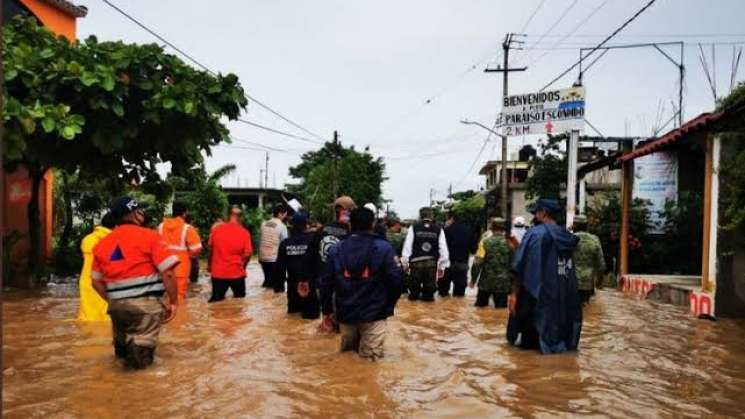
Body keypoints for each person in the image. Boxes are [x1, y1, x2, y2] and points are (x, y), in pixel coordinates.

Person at [90, 197, 179, 369]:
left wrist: (114, 300)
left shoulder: (102, 244)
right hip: (145, 307)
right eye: (141, 210)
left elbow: (95, 282)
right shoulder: (151, 237)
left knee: (121, 359)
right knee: (141, 365)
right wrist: (173, 302)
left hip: (116, 308)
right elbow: (168, 272)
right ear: (137, 214)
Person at [319, 207, 403, 360]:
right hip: (375, 313)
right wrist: (388, 305)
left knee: (347, 359)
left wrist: (327, 311)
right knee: (369, 364)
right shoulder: (384, 248)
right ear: (372, 224)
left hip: (345, 313)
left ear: (350, 225)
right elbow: (397, 280)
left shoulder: (336, 249)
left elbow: (325, 283)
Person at [507, 198, 582, 354]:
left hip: (534, 300)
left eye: (536, 212)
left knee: (527, 354)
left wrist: (514, 295)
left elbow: (520, 265)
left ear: (543, 213)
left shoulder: (534, 234)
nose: (535, 215)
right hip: (561, 301)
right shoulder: (567, 237)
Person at [305, 196, 356, 331]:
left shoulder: (321, 230)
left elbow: (310, 256)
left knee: (327, 324)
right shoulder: (352, 233)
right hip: (343, 284)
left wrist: (306, 279)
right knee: (342, 327)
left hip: (323, 283)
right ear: (346, 211)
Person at [401, 207, 449, 302]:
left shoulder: (413, 227)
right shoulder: (438, 229)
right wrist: (442, 267)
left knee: (413, 295)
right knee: (429, 296)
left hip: (415, 264)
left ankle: (413, 314)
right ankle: (428, 316)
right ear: (431, 216)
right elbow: (443, 250)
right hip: (431, 264)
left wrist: (405, 264)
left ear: (420, 216)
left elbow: (407, 247)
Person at [277, 212, 320, 319]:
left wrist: (279, 287)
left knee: (293, 321)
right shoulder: (313, 240)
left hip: (293, 289)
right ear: (306, 224)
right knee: (310, 322)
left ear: (292, 225)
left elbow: (280, 268)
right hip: (311, 287)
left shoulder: (285, 244)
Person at [158, 202, 202, 303]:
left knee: (164, 298)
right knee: (178, 299)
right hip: (180, 270)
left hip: (162, 268)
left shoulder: (160, 226)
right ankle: (179, 318)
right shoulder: (187, 228)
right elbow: (197, 249)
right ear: (184, 213)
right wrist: (189, 256)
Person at [208, 208, 253, 302]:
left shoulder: (216, 230)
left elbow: (211, 249)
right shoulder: (244, 232)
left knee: (215, 303)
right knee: (240, 303)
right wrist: (243, 267)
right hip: (236, 272)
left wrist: (209, 266)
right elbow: (248, 254)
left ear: (227, 216)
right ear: (241, 218)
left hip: (218, 273)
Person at [78, 212, 116, 322]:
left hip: (87, 281)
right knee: (106, 319)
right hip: (104, 283)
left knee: (88, 317)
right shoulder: (113, 241)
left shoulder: (87, 239)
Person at [470, 217, 514, 308]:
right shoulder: (510, 243)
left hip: (485, 283)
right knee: (500, 312)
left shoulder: (484, 242)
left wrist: (473, 280)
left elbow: (477, 263)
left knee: (480, 310)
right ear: (504, 229)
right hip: (503, 284)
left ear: (492, 227)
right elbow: (515, 263)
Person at [440, 211, 477, 297]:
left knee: (443, 294)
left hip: (447, 265)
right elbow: (474, 250)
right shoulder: (469, 231)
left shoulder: (445, 231)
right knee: (459, 296)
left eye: (447, 219)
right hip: (462, 266)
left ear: (452, 218)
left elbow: (440, 249)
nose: (446, 221)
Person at [572, 215, 605, 304]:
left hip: (571, 282)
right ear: (586, 226)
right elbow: (601, 264)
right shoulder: (594, 240)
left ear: (574, 225)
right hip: (587, 284)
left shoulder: (569, 238)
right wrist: (599, 281)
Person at [259, 204, 289, 292]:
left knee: (268, 284)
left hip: (263, 258)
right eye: (285, 214)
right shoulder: (281, 226)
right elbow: (285, 244)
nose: (285, 216)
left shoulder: (264, 224)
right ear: (280, 214)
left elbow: (261, 239)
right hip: (274, 259)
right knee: (278, 289)